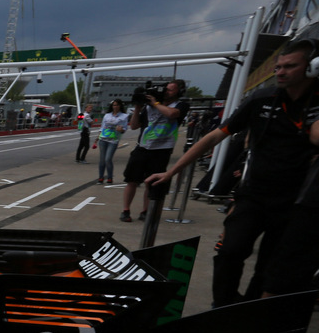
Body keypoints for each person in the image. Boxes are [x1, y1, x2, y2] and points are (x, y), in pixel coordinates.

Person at [146, 39, 319, 306]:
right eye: (279, 66)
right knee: (229, 252)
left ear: (312, 67)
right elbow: (215, 136)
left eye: (290, 66)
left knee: (272, 266)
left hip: (296, 202)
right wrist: (172, 172)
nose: (281, 72)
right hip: (253, 194)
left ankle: (251, 312)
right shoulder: (262, 98)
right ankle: (223, 306)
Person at [119, 80, 189, 222]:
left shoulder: (180, 105)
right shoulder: (148, 107)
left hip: (161, 150)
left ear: (179, 92)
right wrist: (138, 108)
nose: (167, 92)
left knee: (151, 182)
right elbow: (134, 126)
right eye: (166, 89)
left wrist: (156, 103)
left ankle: (146, 210)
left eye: (171, 90)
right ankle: (126, 210)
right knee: (131, 180)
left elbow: (172, 114)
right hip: (142, 147)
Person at [95, 100, 128, 184]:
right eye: (114, 105)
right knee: (102, 160)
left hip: (113, 140)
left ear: (120, 106)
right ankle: (101, 177)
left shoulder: (124, 116)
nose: (115, 107)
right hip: (103, 139)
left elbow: (124, 128)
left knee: (108, 159)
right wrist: (98, 137)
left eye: (117, 105)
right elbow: (102, 127)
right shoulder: (107, 115)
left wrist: (121, 130)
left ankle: (110, 177)